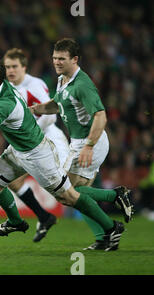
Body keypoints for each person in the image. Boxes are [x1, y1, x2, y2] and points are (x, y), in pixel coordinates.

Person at [0, 55, 129, 251]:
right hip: (18, 149)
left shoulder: (4, 105)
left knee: (67, 196)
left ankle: (112, 226)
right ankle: (16, 221)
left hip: (37, 154)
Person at [30, 38, 135, 250]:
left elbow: (100, 116)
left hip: (89, 143)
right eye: (54, 58)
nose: (57, 62)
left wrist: (88, 146)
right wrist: (36, 109)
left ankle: (114, 199)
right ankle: (105, 236)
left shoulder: (83, 84)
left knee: (66, 193)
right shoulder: (63, 79)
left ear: (75, 59)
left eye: (62, 59)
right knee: (75, 197)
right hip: (78, 143)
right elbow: (59, 105)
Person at [3, 48, 69, 242]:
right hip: (27, 143)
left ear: (24, 67)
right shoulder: (7, 87)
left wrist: (32, 134)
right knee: (14, 182)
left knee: (67, 192)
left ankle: (111, 199)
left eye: (14, 66)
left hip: (48, 139)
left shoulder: (34, 84)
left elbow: (50, 115)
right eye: (7, 67)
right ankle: (44, 216)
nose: (11, 71)